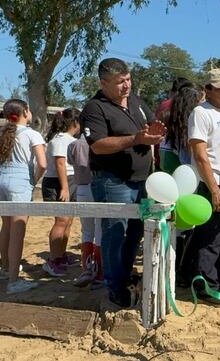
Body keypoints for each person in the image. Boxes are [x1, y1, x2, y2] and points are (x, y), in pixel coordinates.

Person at [81, 58, 166, 308]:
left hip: (142, 182)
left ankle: (124, 276)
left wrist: (156, 132)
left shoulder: (137, 102)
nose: (126, 86)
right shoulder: (95, 108)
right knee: (114, 234)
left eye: (128, 79)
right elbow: (97, 145)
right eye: (120, 82)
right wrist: (135, 139)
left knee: (136, 233)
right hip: (112, 181)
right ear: (104, 83)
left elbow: (151, 127)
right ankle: (114, 286)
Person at [182, 68, 220, 297]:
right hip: (211, 182)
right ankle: (206, 285)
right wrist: (213, 188)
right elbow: (200, 154)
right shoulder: (201, 113)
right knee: (211, 236)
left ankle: (218, 280)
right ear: (207, 90)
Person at [0, 99, 46, 294]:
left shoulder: (3, 133)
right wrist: (33, 181)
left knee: (6, 227)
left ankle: (4, 269)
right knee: (18, 231)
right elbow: (42, 164)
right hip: (19, 182)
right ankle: (13, 280)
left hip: (1, 178)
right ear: (25, 112)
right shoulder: (31, 134)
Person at [41, 108, 81, 277]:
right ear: (75, 122)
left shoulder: (70, 139)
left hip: (70, 180)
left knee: (68, 220)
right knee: (61, 221)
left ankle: (61, 256)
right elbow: (60, 164)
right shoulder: (59, 140)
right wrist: (64, 187)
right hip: (58, 182)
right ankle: (53, 261)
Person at [68, 134, 103, 287]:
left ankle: (87, 268)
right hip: (97, 185)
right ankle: (99, 271)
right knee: (99, 229)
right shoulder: (98, 142)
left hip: (81, 188)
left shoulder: (74, 145)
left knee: (86, 230)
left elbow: (70, 162)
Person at [159, 85, 202, 173]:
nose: (204, 103)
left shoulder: (175, 120)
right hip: (181, 170)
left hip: (167, 163)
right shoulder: (187, 127)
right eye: (201, 100)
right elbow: (189, 160)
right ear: (192, 103)